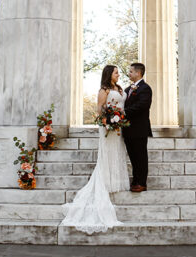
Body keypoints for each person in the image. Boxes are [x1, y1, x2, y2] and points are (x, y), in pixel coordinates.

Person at [60, 64, 129, 233]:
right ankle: (106, 181)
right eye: (116, 72)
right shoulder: (104, 90)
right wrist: (108, 123)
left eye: (118, 72)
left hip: (119, 126)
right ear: (109, 74)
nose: (118, 74)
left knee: (118, 152)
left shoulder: (119, 88)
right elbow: (100, 110)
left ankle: (116, 181)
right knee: (108, 153)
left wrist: (119, 120)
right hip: (108, 127)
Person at [123, 62, 152, 192]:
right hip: (128, 129)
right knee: (133, 157)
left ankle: (142, 183)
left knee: (141, 157)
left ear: (138, 73)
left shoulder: (145, 88)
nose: (129, 73)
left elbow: (142, 106)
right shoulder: (128, 89)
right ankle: (135, 180)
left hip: (139, 129)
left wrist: (124, 112)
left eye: (130, 71)